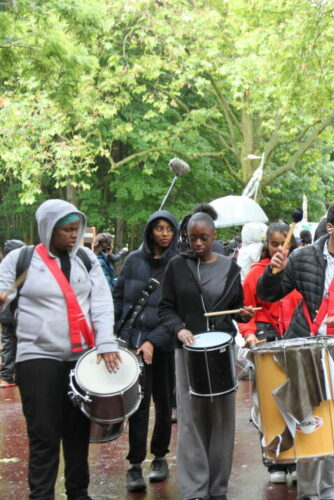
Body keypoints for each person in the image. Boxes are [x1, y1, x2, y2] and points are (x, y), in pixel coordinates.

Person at [258, 200, 334, 500]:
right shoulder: (303, 257)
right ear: (330, 227)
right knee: (309, 422)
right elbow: (268, 294)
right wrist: (273, 272)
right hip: (305, 351)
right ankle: (309, 492)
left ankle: (330, 491)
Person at [0, 199, 121, 500]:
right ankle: (41, 495)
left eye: (76, 229)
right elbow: (4, 290)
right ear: (48, 229)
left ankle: (78, 492)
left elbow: (102, 303)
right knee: (44, 433)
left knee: (77, 431)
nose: (72, 235)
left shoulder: (87, 259)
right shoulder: (21, 259)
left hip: (80, 358)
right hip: (36, 355)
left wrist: (106, 342)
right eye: (66, 230)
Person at [158, 208, 254, 500]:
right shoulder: (176, 266)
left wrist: (245, 313)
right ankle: (194, 490)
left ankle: (217, 489)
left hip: (221, 349)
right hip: (187, 351)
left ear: (214, 237)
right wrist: (179, 330)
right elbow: (164, 308)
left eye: (203, 238)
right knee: (190, 420)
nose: (197, 244)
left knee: (222, 421)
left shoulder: (230, 267)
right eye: (192, 238)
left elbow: (237, 307)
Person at [113, 210, 179, 492]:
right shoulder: (132, 261)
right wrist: (121, 335)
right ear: (150, 231)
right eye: (159, 228)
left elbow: (178, 310)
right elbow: (119, 298)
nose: (164, 234)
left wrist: (154, 339)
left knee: (164, 404)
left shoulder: (178, 264)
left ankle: (160, 457)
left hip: (163, 346)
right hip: (133, 345)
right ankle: (135, 464)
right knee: (137, 406)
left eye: (169, 229)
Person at [238, 221, 302, 485]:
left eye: (283, 243)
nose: (279, 248)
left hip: (295, 338)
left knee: (296, 400)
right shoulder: (255, 273)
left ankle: (297, 456)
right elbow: (245, 310)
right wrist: (249, 333)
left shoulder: (297, 271)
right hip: (267, 339)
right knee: (269, 404)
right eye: (274, 244)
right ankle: (275, 460)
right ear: (267, 244)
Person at [0, 238, 25, 387]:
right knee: (14, 342)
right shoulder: (13, 268)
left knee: (9, 342)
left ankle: (8, 376)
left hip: (7, 314)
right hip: (11, 314)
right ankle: (8, 377)